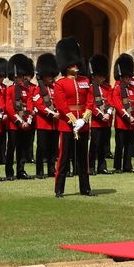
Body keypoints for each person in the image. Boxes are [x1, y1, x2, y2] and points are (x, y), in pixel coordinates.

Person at [51, 37, 94, 198]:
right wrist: (74, 121)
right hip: (67, 125)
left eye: (76, 63)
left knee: (83, 159)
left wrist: (84, 119)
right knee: (63, 158)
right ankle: (59, 189)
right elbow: (61, 105)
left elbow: (90, 101)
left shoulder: (85, 81)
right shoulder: (60, 83)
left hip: (83, 124)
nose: (75, 66)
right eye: (72, 64)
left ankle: (85, 188)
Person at [5, 54, 36, 180]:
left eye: (20, 76)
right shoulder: (9, 90)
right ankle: (9, 172)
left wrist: (27, 120)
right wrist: (19, 121)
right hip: (14, 124)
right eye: (17, 77)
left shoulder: (27, 90)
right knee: (11, 148)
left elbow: (29, 105)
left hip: (25, 123)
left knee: (23, 148)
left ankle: (21, 170)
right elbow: (9, 108)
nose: (19, 79)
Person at [32, 52, 61, 178]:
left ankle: (51, 169)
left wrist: (58, 112)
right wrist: (52, 113)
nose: (50, 78)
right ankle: (40, 171)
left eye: (51, 75)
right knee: (42, 148)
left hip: (55, 124)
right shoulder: (38, 89)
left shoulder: (55, 88)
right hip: (43, 123)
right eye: (48, 75)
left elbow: (59, 101)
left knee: (53, 148)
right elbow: (39, 104)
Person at [110, 53, 134, 173]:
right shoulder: (117, 89)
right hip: (121, 122)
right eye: (126, 77)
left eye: (129, 77)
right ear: (121, 77)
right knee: (120, 145)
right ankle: (117, 166)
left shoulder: (131, 89)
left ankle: (128, 166)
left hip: (131, 122)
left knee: (129, 145)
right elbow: (118, 105)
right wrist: (128, 117)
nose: (128, 79)